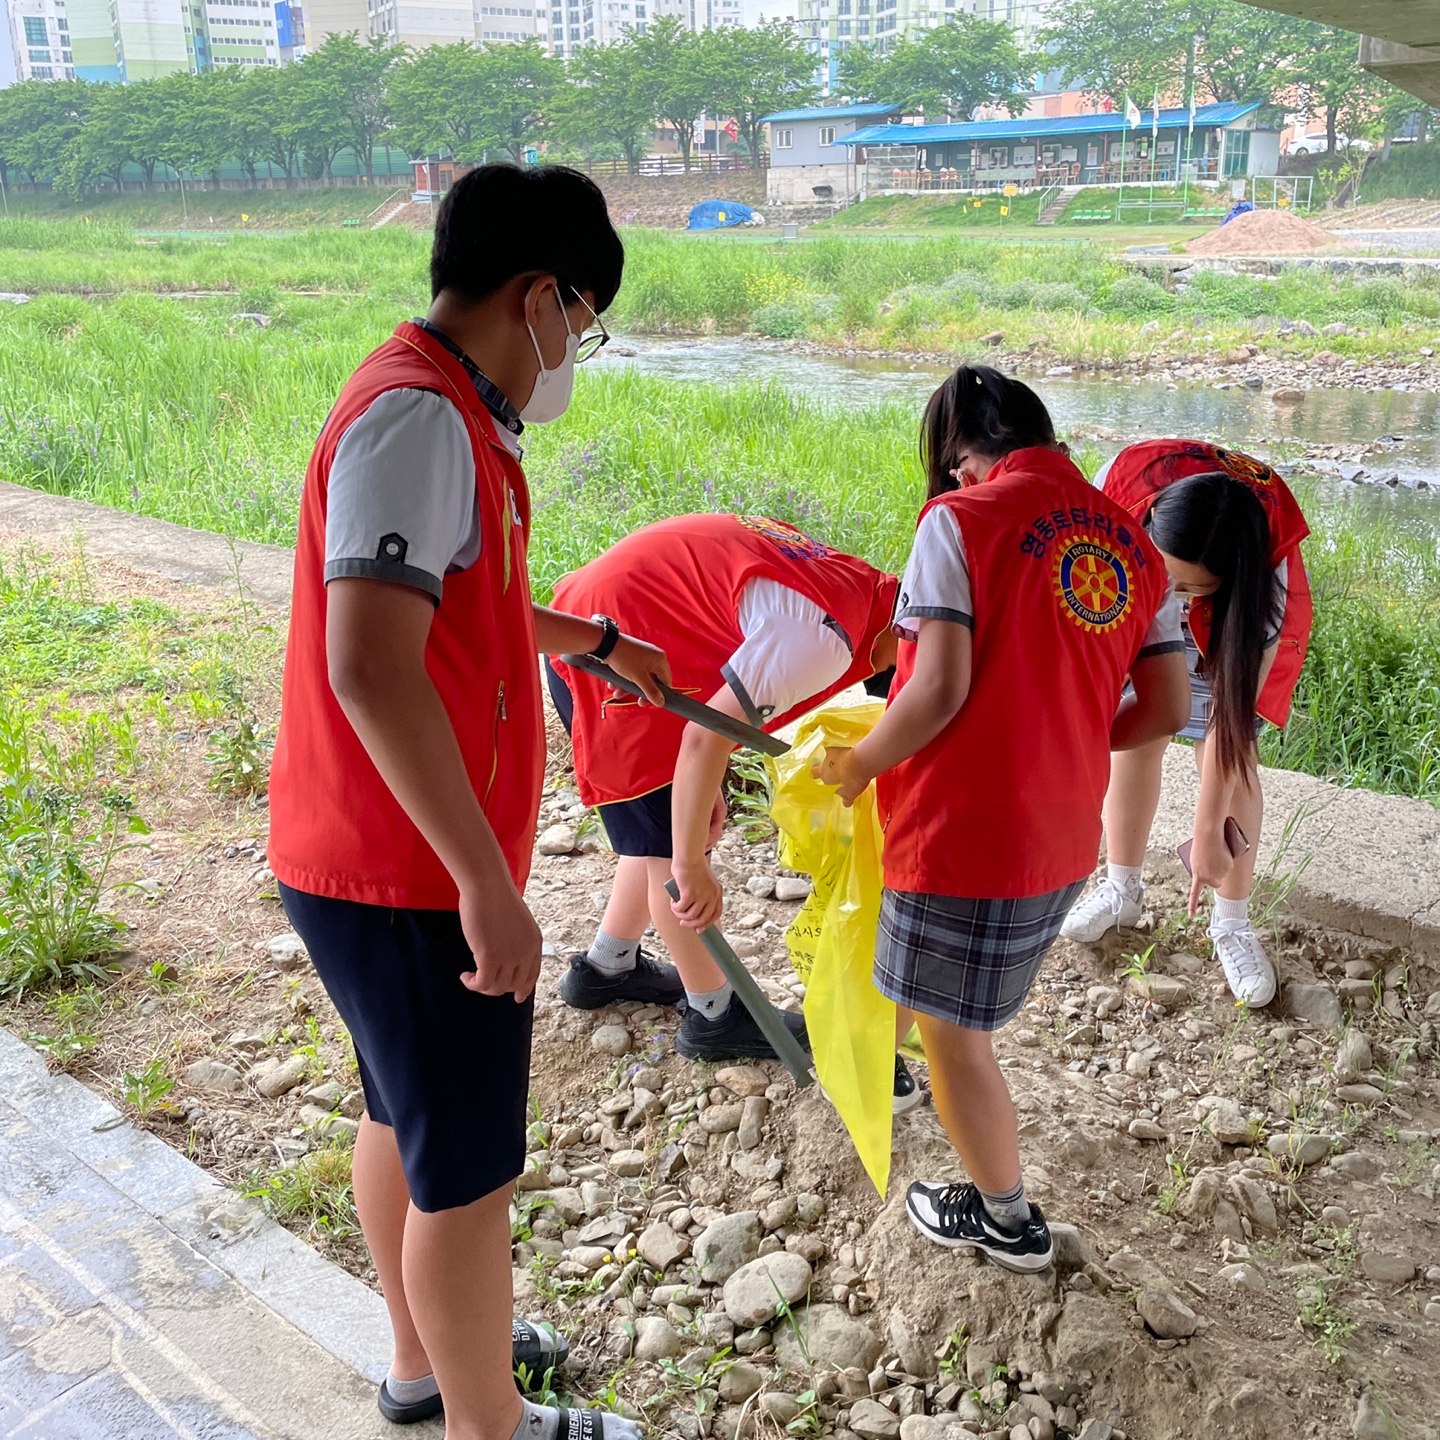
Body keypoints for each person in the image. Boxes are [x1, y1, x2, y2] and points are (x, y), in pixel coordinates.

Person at [266, 165, 667, 1440]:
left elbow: (456, 602)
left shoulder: (445, 410)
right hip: (404, 873)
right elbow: (372, 663)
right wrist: (483, 887)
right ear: (538, 296)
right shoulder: (420, 420)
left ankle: (429, 1364)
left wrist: (590, 640)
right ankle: (491, 1422)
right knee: (472, 1178)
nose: (574, 353)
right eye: (583, 324)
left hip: (370, 860)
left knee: (405, 1113)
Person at [816, 367, 1190, 1272]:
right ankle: (888, 1067)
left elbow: (937, 688)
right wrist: (1065, 739)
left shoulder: (960, 522)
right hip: (1064, 833)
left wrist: (859, 765)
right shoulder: (1135, 547)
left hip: (962, 834)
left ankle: (1006, 1219)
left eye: (947, 470)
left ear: (961, 460)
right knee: (943, 999)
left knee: (960, 1038)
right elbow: (1170, 707)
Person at [546, 514, 913, 1094]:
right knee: (672, 851)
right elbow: (703, 739)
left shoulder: (859, 583)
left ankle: (605, 967)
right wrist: (692, 862)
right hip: (603, 656)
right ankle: (714, 1014)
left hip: (608, 625)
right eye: (906, 672)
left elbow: (718, 661)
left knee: (659, 825)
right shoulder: (824, 639)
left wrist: (705, 780)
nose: (895, 681)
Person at [1060, 440, 1311, 1009]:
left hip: (1230, 618)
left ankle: (1232, 922)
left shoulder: (1265, 583)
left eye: (1191, 589)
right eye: (1167, 580)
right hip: (1136, 570)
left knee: (1232, 767)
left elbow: (1229, 721)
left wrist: (1205, 837)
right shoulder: (1118, 496)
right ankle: (1121, 888)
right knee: (1137, 734)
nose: (1174, 598)